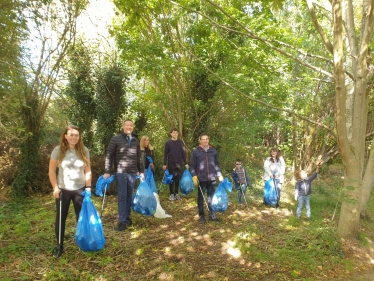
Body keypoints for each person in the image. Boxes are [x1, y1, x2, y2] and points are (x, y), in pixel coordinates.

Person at [48, 125, 92, 257]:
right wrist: (55, 187)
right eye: (71, 134)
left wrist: (88, 187)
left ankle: (83, 242)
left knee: (81, 217)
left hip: (80, 190)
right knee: (61, 218)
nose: (74, 137)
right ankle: (59, 245)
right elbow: (51, 170)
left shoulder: (84, 150)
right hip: (63, 190)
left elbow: (87, 170)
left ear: (79, 137)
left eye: (76, 135)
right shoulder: (58, 150)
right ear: (66, 136)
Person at [104, 119, 144, 232]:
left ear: (133, 127)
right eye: (127, 125)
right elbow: (109, 156)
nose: (129, 127)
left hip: (132, 173)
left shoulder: (136, 141)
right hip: (120, 173)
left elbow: (139, 158)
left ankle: (127, 217)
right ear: (123, 126)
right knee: (122, 197)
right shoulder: (115, 139)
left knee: (129, 197)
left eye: (131, 125)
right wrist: (107, 171)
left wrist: (141, 172)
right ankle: (122, 221)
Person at [190, 134, 223, 224]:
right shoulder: (196, 152)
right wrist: (194, 176)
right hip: (201, 178)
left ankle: (212, 214)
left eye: (206, 139)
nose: (205, 141)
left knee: (211, 197)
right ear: (200, 141)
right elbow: (192, 166)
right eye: (203, 139)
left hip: (212, 178)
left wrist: (219, 174)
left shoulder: (213, 151)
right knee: (201, 198)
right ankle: (201, 216)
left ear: (208, 140)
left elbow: (216, 164)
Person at [163, 128, 188, 201]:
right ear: (171, 134)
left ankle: (176, 193)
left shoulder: (180, 142)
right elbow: (165, 154)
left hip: (178, 163)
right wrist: (164, 164)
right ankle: (171, 194)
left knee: (177, 178)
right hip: (171, 163)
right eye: (173, 133)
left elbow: (183, 153)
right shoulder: (168, 143)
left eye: (176, 133)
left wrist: (186, 163)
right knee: (171, 179)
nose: (175, 134)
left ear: (178, 134)